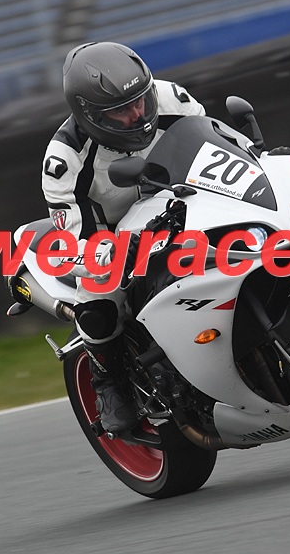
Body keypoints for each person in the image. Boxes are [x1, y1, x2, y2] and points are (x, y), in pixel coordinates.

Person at [41, 42, 206, 434]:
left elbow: (216, 146)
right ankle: (109, 382)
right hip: (112, 235)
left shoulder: (171, 98)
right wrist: (112, 252)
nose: (138, 115)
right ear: (89, 115)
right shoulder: (65, 161)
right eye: (122, 110)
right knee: (100, 290)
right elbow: (75, 243)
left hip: (181, 205)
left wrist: (254, 157)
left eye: (141, 101)